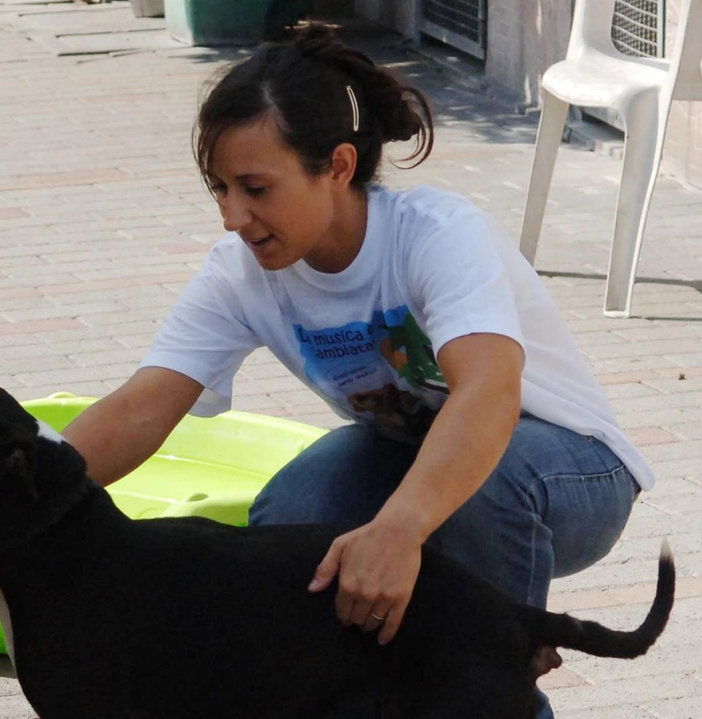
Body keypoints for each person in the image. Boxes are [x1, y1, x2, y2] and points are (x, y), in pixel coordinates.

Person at [60, 24, 650, 718]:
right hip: (414, 455)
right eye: (220, 189)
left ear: (337, 166)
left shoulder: (435, 235)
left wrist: (399, 530)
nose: (233, 217)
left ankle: (494, 693)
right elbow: (139, 408)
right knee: (292, 515)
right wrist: (9, 494)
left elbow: (489, 394)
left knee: (474, 504)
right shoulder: (241, 274)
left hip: (568, 467)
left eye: (255, 187)